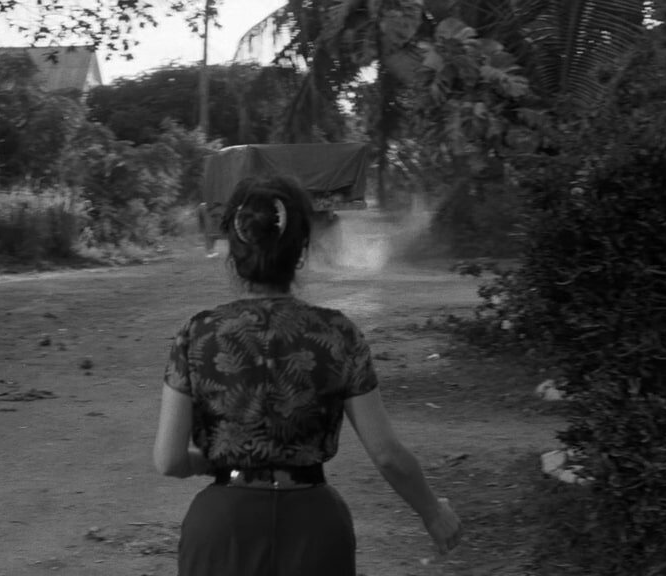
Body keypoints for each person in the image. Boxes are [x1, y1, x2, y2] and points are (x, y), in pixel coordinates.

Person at [153, 176, 462, 576]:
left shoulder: (197, 334)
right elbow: (387, 455)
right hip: (315, 528)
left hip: (221, 530)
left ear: (233, 249)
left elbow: (169, 459)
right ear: (301, 250)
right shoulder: (337, 334)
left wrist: (214, 463)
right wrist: (433, 512)